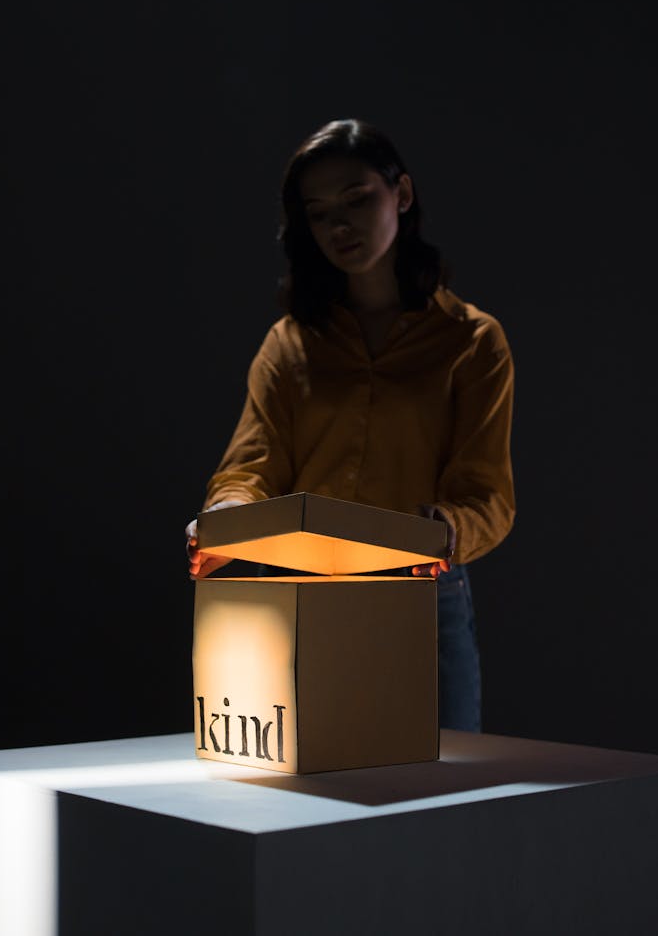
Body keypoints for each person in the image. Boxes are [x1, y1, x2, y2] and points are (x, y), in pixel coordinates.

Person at [185, 118, 515, 732]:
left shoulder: (472, 341)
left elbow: (487, 496)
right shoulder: (290, 344)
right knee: (312, 806)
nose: (339, 225)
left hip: (420, 596)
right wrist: (228, 515)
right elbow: (251, 467)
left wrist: (438, 533)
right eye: (318, 212)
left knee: (436, 805)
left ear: (403, 195)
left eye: (358, 199)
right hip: (304, 595)